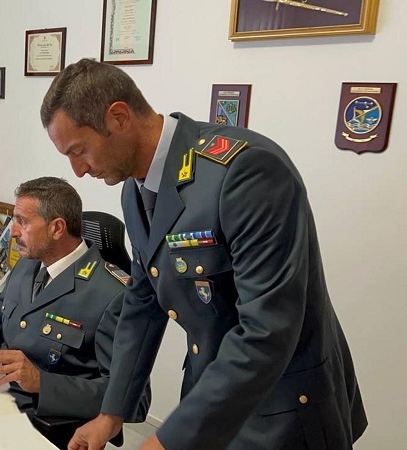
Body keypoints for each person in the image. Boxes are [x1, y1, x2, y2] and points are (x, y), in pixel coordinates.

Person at [40, 58, 367, 450]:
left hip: (281, 408)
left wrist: (168, 441)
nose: (77, 170)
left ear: (119, 117)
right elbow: (142, 301)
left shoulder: (245, 172)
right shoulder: (134, 189)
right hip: (210, 394)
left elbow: (267, 329)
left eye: (79, 150)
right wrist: (111, 413)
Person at [0, 176, 150, 449]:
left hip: (46, 425)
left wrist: (42, 382)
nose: (13, 232)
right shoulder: (27, 265)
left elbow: (136, 400)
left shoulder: (113, 296)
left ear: (57, 228)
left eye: (23, 222)